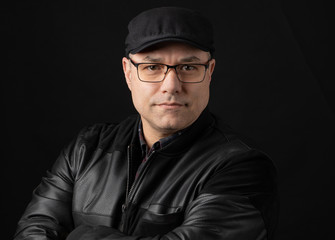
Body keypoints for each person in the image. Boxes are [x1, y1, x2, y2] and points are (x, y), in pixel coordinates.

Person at [14, 6, 278, 240]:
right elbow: (33, 229)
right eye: (152, 67)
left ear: (209, 72)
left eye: (188, 68)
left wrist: (82, 235)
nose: (171, 86)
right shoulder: (86, 149)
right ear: (129, 73)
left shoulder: (241, 167)